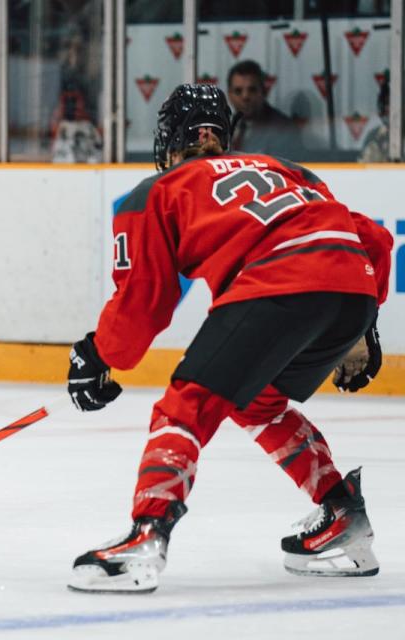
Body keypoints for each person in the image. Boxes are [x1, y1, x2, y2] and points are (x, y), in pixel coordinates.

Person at [65, 84, 392, 593]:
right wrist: (365, 327)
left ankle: (146, 538)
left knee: (184, 405)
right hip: (352, 289)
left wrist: (96, 353)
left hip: (280, 283)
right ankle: (343, 514)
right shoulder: (288, 170)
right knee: (258, 402)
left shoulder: (157, 190)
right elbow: (373, 237)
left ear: (169, 141)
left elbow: (143, 305)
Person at [227, 59, 305, 159]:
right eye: (238, 91)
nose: (245, 96)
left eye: (252, 90)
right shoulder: (225, 126)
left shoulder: (283, 129)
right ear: (229, 95)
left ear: (263, 92)